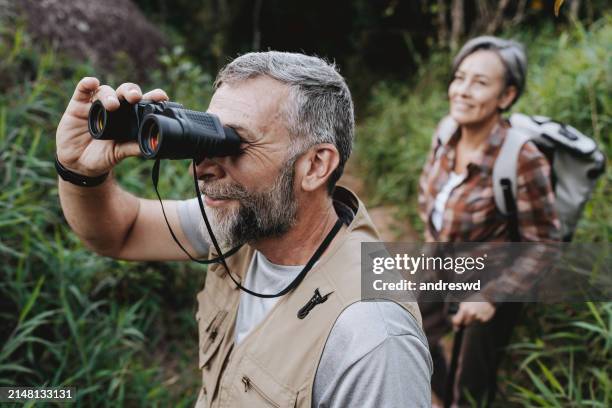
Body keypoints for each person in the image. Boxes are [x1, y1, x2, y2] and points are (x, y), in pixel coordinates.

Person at [56, 51, 433, 407]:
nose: (201, 166)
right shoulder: (242, 224)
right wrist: (79, 170)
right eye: (205, 137)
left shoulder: (371, 336)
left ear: (316, 165)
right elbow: (120, 232)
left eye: (234, 143)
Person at [417, 37, 560, 406]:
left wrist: (491, 296)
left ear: (506, 96)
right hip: (439, 263)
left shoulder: (522, 158)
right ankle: (442, 393)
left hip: (492, 280)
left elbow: (545, 244)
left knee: (472, 387)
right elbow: (431, 199)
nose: (462, 91)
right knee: (409, 333)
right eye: (459, 77)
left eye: (480, 83)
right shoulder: (446, 131)